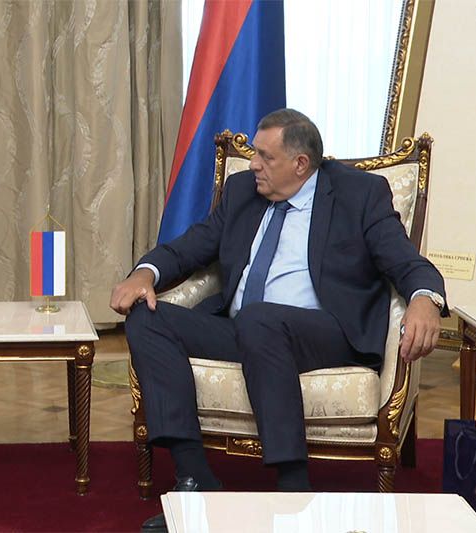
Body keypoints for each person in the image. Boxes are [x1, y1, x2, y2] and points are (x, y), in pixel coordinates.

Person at [110, 109, 446, 532]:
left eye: (265, 157)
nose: (253, 164)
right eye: (254, 153)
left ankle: (293, 488)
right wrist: (145, 273)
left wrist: (425, 298)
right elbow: (191, 246)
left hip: (325, 333)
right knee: (147, 317)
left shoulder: (358, 194)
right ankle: (195, 479)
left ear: (300, 163)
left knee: (259, 320)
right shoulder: (242, 192)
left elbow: (406, 261)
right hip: (246, 328)